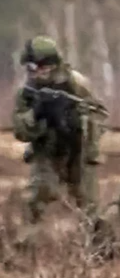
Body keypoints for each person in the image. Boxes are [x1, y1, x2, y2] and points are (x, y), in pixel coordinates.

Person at [11, 35, 108, 244]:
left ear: (54, 65)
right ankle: (24, 249)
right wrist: (36, 115)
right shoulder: (26, 93)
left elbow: (100, 115)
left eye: (42, 67)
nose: (37, 73)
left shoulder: (76, 84)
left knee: (89, 204)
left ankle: (100, 249)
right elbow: (20, 131)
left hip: (79, 150)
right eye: (32, 68)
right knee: (35, 201)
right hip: (46, 150)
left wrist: (78, 120)